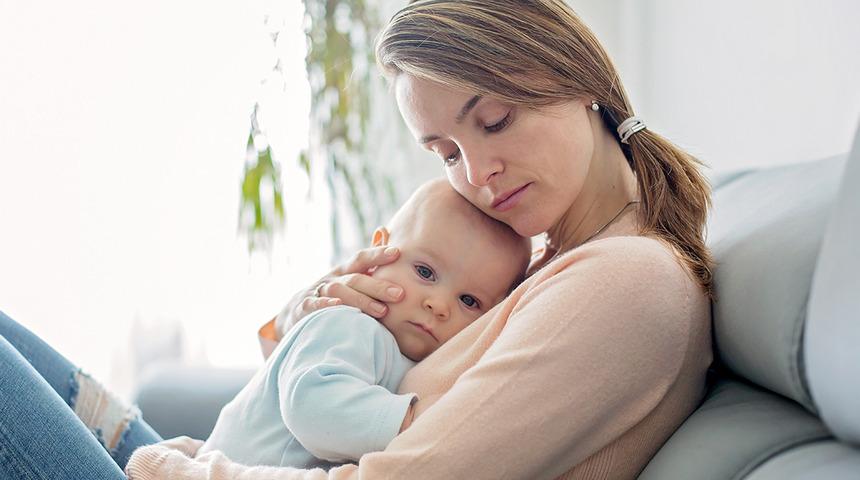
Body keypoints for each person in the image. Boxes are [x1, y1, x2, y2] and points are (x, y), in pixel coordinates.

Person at [0, 1, 714, 479]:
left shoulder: (625, 283)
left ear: (577, 77)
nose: (477, 174)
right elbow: (314, 395)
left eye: (495, 120)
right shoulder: (548, 259)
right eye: (445, 153)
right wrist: (311, 320)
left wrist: (180, 470)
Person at [197, 179, 530, 469]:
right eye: (425, 272)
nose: (439, 305)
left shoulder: (423, 356)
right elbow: (310, 407)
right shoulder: (349, 323)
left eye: (469, 301)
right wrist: (412, 420)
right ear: (379, 248)